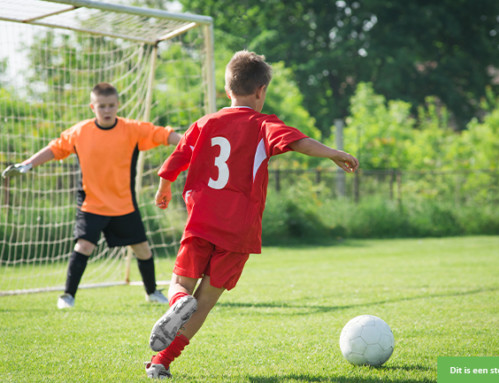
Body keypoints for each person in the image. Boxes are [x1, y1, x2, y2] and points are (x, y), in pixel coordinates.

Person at [144, 51, 359, 379]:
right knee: (206, 301)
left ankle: (176, 302)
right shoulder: (264, 124)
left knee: (181, 284)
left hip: (201, 219)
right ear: (260, 90)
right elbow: (298, 142)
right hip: (239, 230)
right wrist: (333, 153)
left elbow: (178, 156)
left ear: (227, 88)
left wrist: (164, 186)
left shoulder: (205, 123)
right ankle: (163, 360)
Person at [2, 82, 182, 309]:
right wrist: (28, 164)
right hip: (91, 204)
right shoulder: (80, 132)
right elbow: (55, 148)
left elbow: (164, 134)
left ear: (118, 105)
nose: (107, 110)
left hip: (123, 204)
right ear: (92, 107)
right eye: (102, 106)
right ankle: (67, 296)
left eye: (111, 106)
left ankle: (152, 292)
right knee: (84, 246)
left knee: (142, 249)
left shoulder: (132, 129)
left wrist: (189, 145)